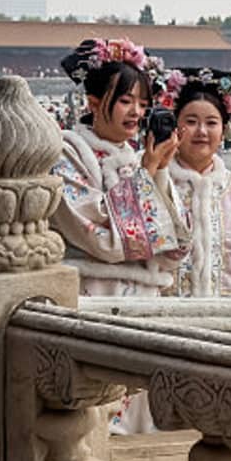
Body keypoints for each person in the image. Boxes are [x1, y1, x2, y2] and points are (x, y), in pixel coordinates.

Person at [51, 39, 184, 296]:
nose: (136, 112)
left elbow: (173, 250)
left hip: (144, 296)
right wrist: (146, 173)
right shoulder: (66, 153)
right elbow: (101, 239)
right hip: (90, 291)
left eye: (143, 105)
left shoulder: (138, 159)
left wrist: (160, 170)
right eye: (126, 101)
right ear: (93, 103)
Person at [162, 70, 231, 299]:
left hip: (227, 312)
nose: (201, 131)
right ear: (175, 126)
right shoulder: (157, 179)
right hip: (165, 312)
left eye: (211, 123)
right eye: (191, 122)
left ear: (223, 131)